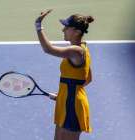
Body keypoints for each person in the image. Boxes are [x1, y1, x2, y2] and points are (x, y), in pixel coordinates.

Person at [35, 9, 94, 140]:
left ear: (77, 31)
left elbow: (48, 49)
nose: (63, 30)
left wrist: (39, 26)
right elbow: (88, 78)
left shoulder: (76, 51)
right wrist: (65, 94)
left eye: (67, 27)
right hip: (68, 102)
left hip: (72, 106)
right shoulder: (83, 49)